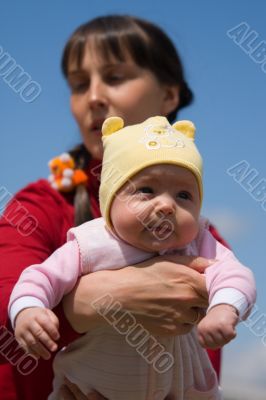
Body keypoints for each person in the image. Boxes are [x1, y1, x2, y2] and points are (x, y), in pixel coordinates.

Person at [0, 14, 228, 400]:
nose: (93, 97)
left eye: (115, 77)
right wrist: (96, 300)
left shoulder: (200, 234)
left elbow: (200, 369)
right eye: (77, 84)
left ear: (170, 96)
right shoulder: (39, 206)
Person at [9, 116, 256, 400]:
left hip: (181, 390)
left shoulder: (199, 242)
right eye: (146, 190)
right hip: (88, 388)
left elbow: (237, 276)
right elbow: (41, 277)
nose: (165, 205)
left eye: (184, 195)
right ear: (110, 201)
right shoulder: (91, 243)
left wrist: (225, 308)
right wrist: (28, 309)